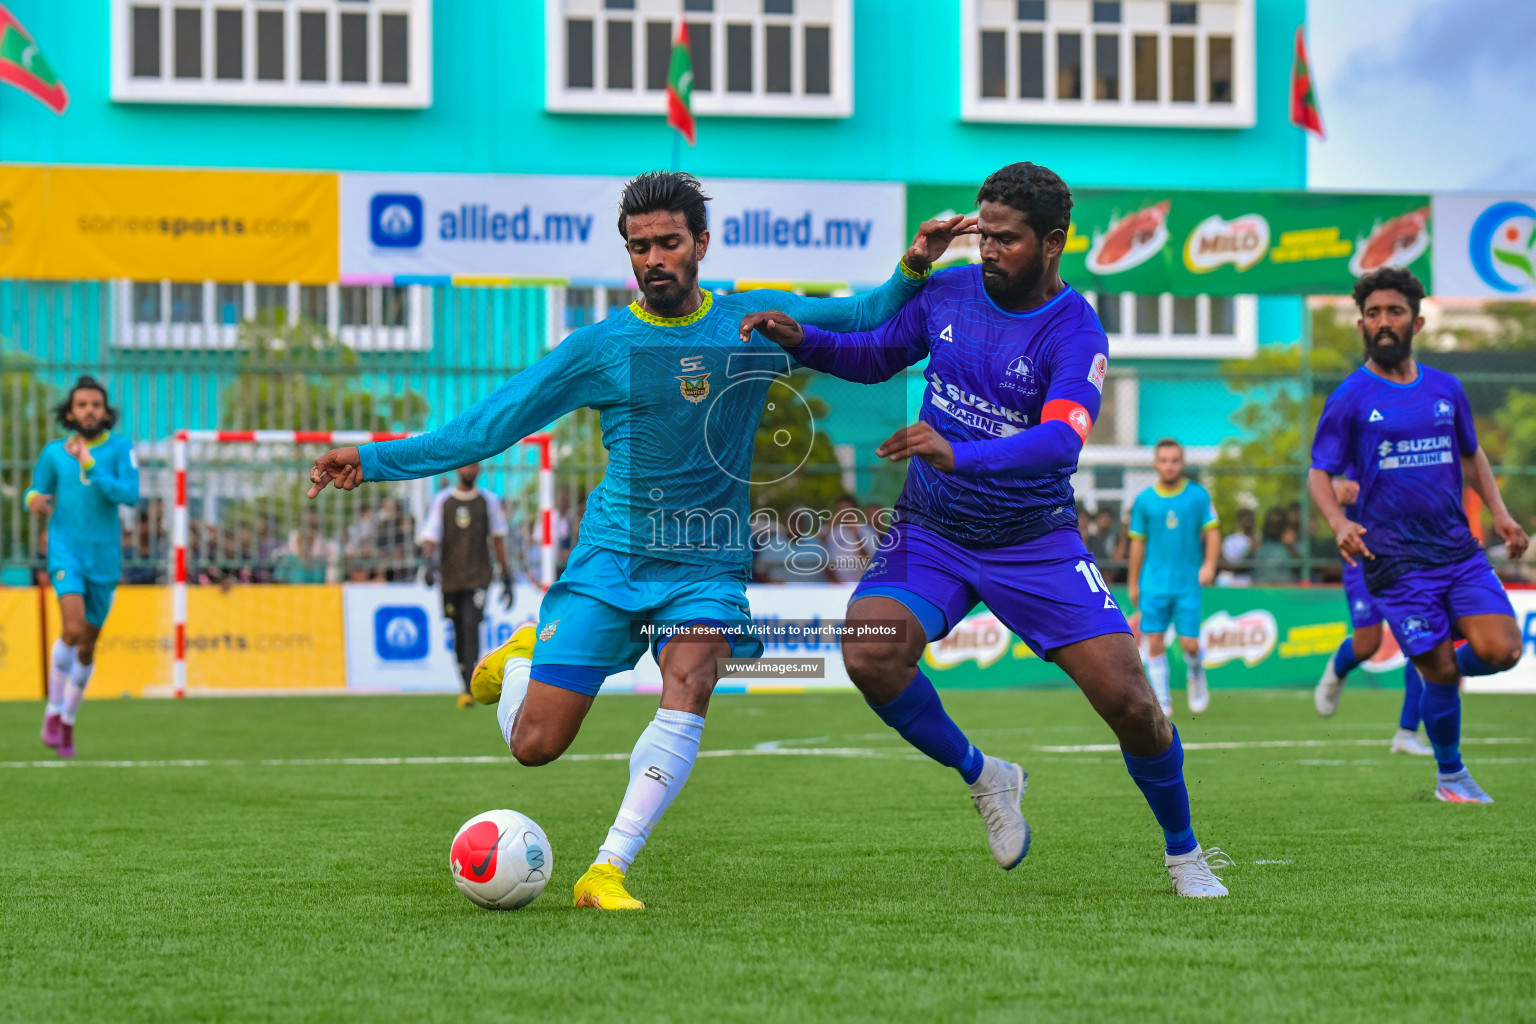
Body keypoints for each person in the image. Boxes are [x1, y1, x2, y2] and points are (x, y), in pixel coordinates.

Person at [305, 170, 969, 909]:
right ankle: (525, 655)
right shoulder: (600, 347)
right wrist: (370, 459)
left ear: (702, 245)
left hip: (706, 567)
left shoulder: (754, 322)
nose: (653, 258)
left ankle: (607, 868)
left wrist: (916, 261)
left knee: (692, 677)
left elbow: (863, 315)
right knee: (535, 747)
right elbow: (488, 428)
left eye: (668, 243)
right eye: (639, 246)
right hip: (610, 562)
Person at [739, 162, 1230, 898]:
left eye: (1006, 239)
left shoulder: (1076, 331)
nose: (987, 251)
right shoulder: (948, 292)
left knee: (1134, 706)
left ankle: (1185, 853)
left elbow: (1063, 441)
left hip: (1033, 541)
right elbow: (874, 356)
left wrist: (957, 452)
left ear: (1054, 243)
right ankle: (987, 777)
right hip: (931, 530)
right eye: (983, 236)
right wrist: (800, 338)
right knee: (870, 652)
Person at [1309, 266, 1529, 804]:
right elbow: (1319, 471)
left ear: (1418, 320)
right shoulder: (1350, 396)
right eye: (1374, 314)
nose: (1384, 322)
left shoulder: (1446, 389)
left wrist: (1501, 515)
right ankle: (1451, 776)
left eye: (1395, 312)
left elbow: (1472, 455)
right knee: (1441, 670)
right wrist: (1339, 523)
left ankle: (1438, 674)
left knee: (1503, 651)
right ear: (1362, 323)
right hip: (1394, 562)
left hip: (1458, 551)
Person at [25, 376, 140, 759]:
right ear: (70, 412)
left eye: (96, 405)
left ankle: (70, 720)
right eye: (82, 405)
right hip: (65, 551)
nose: (89, 410)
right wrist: (33, 501)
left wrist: (90, 464)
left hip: (104, 558)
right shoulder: (54, 452)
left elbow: (129, 494)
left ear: (105, 412)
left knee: (88, 646)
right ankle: (54, 711)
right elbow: (36, 488)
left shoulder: (120, 449)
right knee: (72, 629)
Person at [1312, 475, 1434, 756]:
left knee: (1421, 643)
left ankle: (1407, 732)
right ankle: (1337, 669)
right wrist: (1335, 489)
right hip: (1362, 557)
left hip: (1409, 559)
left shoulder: (1416, 441)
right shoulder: (1356, 434)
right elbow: (1319, 476)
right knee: (1367, 644)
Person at [1127, 440, 1220, 717]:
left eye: (1175, 460)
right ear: (1156, 463)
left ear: (1183, 463)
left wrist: (1210, 565)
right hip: (1153, 584)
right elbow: (1137, 543)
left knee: (1190, 644)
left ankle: (1196, 673)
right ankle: (1163, 702)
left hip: (1187, 584)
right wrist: (1133, 581)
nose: (1170, 465)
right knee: (1153, 641)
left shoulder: (1198, 496)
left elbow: (1213, 532)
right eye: (1164, 460)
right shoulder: (1144, 500)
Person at [419, 463, 514, 708]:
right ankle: (464, 680)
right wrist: (428, 564)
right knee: (457, 628)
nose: (470, 470)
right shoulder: (443, 501)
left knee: (472, 627)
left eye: (474, 466)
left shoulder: (488, 501)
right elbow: (431, 537)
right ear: (458, 470)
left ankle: (468, 687)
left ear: (479, 470)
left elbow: (498, 538)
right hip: (450, 578)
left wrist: (506, 575)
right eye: (466, 466)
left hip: (478, 577)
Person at [823, 495, 879, 583]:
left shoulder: (867, 531)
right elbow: (821, 553)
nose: (844, 513)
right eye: (841, 509)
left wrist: (857, 535)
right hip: (836, 586)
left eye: (847, 509)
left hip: (859, 584)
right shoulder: (831, 530)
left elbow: (869, 561)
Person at [1249, 508, 1299, 584]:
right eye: (1271, 523)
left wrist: (1291, 549)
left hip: (1283, 590)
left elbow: (1301, 569)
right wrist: (1252, 551)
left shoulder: (1289, 542)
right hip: (1260, 589)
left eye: (1277, 524)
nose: (1273, 527)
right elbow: (1242, 567)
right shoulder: (1258, 541)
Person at [1217, 507, 1256, 586]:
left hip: (1251, 577)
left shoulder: (1258, 540)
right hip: (1232, 576)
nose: (1248, 522)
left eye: (1250, 519)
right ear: (1239, 521)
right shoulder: (1231, 540)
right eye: (1245, 519)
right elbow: (1227, 562)